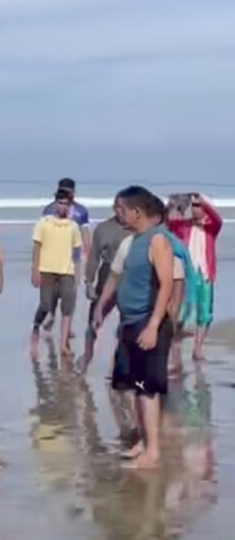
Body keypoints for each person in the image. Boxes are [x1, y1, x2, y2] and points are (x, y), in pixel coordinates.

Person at [95, 186, 177, 469]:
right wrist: (102, 308)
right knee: (132, 386)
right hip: (130, 322)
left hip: (148, 323)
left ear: (136, 211)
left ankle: (153, 453)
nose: (120, 214)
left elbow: (167, 284)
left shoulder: (158, 240)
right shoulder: (135, 240)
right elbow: (119, 278)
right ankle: (143, 441)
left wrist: (154, 325)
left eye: (124, 210)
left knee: (147, 389)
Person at [168, 194, 223, 361]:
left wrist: (203, 199)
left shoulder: (211, 226)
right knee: (181, 311)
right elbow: (169, 221)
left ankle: (198, 348)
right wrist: (173, 205)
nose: (195, 208)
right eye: (193, 205)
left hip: (205, 273)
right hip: (186, 274)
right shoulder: (183, 226)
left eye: (198, 205)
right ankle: (175, 341)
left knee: (204, 312)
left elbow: (217, 218)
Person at [31, 190, 83, 358]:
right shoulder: (44, 223)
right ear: (55, 204)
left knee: (67, 308)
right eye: (60, 203)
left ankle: (63, 344)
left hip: (67, 271)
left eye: (66, 204)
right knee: (46, 305)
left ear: (70, 206)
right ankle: (36, 327)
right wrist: (35, 270)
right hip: (46, 270)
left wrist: (78, 273)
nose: (63, 207)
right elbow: (37, 247)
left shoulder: (73, 226)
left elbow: (76, 250)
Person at [81, 195, 130, 370]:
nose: (121, 211)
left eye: (125, 208)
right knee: (94, 319)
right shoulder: (103, 229)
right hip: (107, 274)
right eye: (118, 207)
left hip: (129, 276)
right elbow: (94, 256)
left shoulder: (136, 228)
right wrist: (89, 281)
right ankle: (87, 355)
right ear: (113, 208)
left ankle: (120, 361)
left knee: (128, 323)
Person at [41, 178, 91, 332]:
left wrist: (87, 255)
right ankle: (51, 316)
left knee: (70, 293)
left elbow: (85, 233)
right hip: (52, 256)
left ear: (74, 192)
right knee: (52, 292)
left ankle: (67, 325)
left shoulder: (81, 211)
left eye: (69, 191)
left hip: (73, 257)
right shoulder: (49, 209)